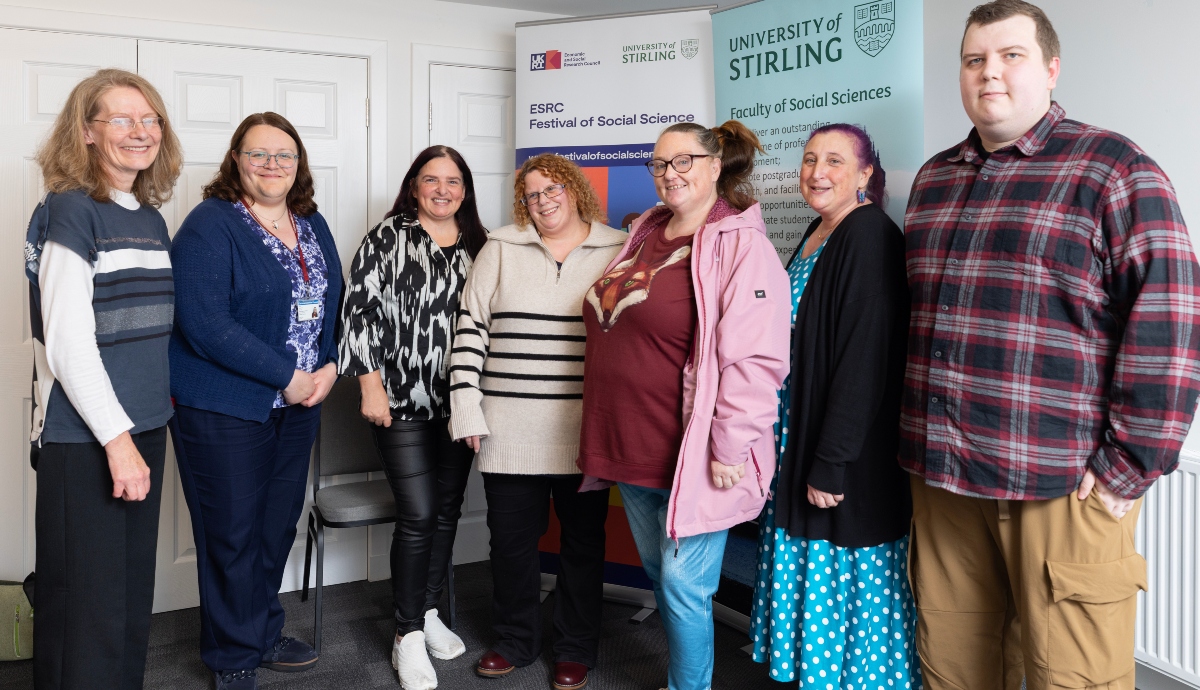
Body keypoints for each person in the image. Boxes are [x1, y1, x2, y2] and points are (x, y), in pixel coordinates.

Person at [902, 2, 1200, 689]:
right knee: (952, 670)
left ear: (1051, 68)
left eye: (1011, 56)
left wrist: (1131, 464)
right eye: (974, 59)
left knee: (1072, 676)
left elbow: (1170, 320)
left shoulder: (1114, 168)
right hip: (944, 481)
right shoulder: (934, 180)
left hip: (1060, 485)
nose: (990, 73)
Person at [577, 121, 790, 690]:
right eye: (660, 164)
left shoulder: (743, 246)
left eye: (684, 161)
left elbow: (756, 360)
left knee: (681, 583)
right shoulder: (646, 232)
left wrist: (730, 444)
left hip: (693, 451)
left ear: (716, 165)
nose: (670, 174)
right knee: (664, 577)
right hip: (630, 440)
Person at [169, 112, 343, 690]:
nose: (272, 165)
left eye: (284, 155)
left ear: (299, 166)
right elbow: (203, 322)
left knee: (275, 527)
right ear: (236, 162)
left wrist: (331, 365)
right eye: (258, 154)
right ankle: (231, 656)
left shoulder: (311, 223)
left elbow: (336, 304)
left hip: (299, 407)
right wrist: (287, 375)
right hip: (224, 408)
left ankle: (262, 631)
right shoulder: (209, 225)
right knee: (231, 534)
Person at [24, 68, 182, 690]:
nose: (140, 132)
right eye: (121, 119)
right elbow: (67, 343)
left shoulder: (149, 218)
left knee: (123, 604)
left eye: (150, 119)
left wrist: (142, 431)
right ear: (87, 132)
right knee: (83, 613)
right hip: (86, 436)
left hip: (144, 428)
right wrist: (118, 443)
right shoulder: (69, 212)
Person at [748, 123, 919, 687]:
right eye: (809, 159)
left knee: (845, 587)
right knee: (812, 577)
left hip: (841, 455)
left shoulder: (868, 236)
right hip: (800, 438)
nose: (817, 172)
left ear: (866, 173)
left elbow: (864, 363)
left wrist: (832, 461)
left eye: (835, 162)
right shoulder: (819, 230)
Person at [448, 153, 625, 690]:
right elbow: (470, 327)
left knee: (582, 544)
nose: (543, 200)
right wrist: (465, 406)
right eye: (532, 194)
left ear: (575, 190)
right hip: (509, 427)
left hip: (582, 431)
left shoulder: (617, 250)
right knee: (513, 545)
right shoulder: (501, 248)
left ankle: (574, 648)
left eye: (553, 189)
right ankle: (514, 641)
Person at [338, 145, 488, 690]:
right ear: (414, 186)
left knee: (447, 510)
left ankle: (426, 613)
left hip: (458, 403)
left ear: (465, 190)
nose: (442, 189)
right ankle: (405, 634)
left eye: (453, 181)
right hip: (397, 401)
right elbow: (358, 312)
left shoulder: (481, 244)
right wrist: (370, 386)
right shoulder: (388, 237)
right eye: (432, 180)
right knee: (420, 513)